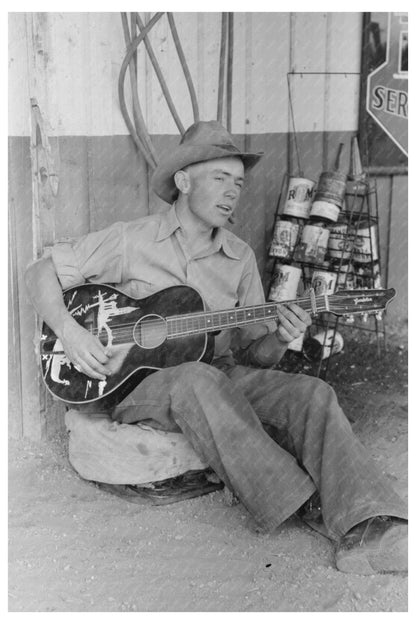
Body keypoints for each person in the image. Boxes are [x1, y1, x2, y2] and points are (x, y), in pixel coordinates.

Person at [25, 120, 407, 575]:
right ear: (184, 182)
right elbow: (39, 273)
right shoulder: (132, 239)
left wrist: (281, 337)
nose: (233, 193)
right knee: (196, 378)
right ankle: (309, 506)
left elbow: (253, 354)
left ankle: (372, 523)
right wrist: (71, 332)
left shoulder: (240, 257)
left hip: (218, 373)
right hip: (138, 388)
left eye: (239, 182)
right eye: (219, 179)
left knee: (311, 393)